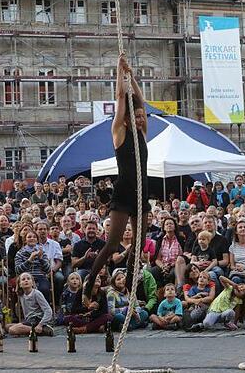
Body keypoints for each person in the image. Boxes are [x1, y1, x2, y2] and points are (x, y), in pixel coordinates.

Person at [83, 54, 149, 304]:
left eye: (143, 116)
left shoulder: (143, 132)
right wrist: (119, 74)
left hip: (141, 194)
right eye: (137, 116)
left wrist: (132, 78)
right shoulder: (119, 132)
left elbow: (139, 100)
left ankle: (130, 289)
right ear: (128, 118)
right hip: (123, 192)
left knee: (140, 244)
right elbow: (123, 99)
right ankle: (89, 285)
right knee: (112, 245)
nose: (141, 119)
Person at [7, 272, 54, 336]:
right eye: (23, 279)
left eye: (28, 279)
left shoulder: (36, 293)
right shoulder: (21, 295)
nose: (26, 280)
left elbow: (48, 310)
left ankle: (42, 330)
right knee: (7, 326)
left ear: (32, 283)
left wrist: (40, 324)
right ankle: (32, 331)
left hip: (37, 319)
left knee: (12, 330)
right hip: (30, 320)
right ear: (20, 284)